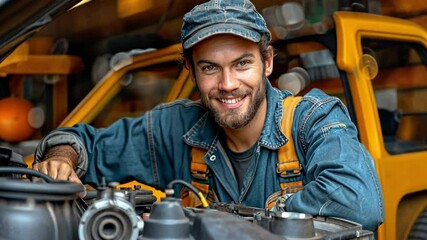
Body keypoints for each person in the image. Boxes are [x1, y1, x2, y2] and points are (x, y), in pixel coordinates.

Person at [32, 0, 384, 231]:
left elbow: (358, 202)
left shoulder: (313, 121)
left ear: (268, 62)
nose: (228, 84)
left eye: (242, 63)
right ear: (191, 71)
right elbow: (82, 142)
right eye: (210, 68)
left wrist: (228, 223)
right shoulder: (174, 128)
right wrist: (61, 158)